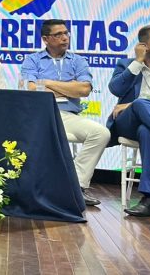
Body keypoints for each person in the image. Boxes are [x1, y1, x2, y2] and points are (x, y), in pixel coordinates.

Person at [21, 19, 109, 206]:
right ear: (46, 39)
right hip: (42, 116)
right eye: (58, 34)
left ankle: (76, 186)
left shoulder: (78, 61)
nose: (64, 38)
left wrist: (47, 83)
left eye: (66, 33)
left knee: (101, 133)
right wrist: (69, 88)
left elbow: (84, 89)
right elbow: (31, 89)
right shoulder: (33, 60)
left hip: (68, 116)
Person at [107, 25, 150, 216]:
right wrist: (137, 62)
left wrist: (130, 104)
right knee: (140, 104)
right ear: (144, 45)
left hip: (147, 123)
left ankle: (149, 198)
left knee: (146, 131)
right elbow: (116, 89)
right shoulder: (126, 64)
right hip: (126, 123)